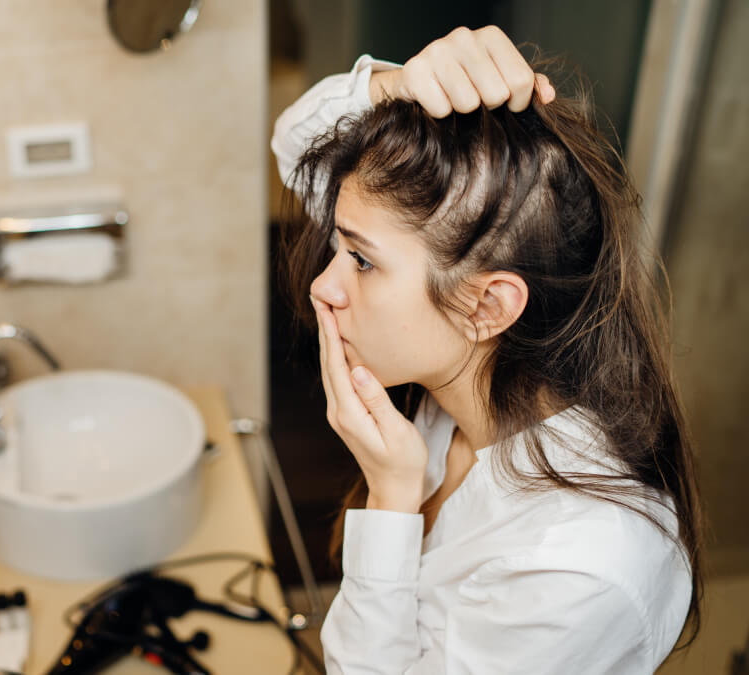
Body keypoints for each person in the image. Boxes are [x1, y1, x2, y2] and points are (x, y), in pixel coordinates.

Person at [271, 26, 702, 674]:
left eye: (359, 258)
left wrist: (392, 497)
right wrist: (402, 85)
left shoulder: (578, 563)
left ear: (488, 306)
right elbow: (296, 144)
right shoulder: (474, 383)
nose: (323, 286)